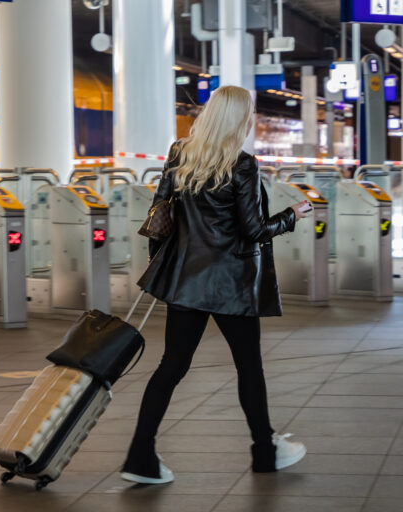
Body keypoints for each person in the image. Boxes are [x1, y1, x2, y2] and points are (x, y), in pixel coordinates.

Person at [120, 85, 309, 485]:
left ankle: (140, 455)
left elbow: (160, 214)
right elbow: (255, 230)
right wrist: (293, 214)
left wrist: (164, 265)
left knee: (171, 366)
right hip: (231, 285)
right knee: (248, 368)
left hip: (186, 279)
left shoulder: (179, 153)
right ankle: (264, 452)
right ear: (240, 119)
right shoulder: (243, 165)